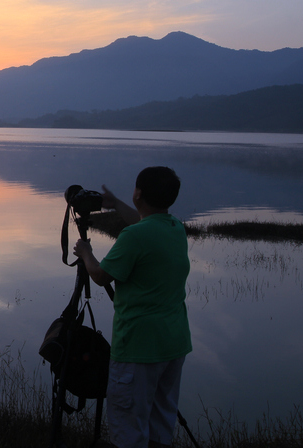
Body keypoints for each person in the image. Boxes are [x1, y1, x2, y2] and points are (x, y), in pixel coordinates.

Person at [72, 166, 192, 448]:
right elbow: (140, 224)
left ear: (138, 193)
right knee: (160, 428)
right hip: (173, 345)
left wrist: (86, 253)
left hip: (139, 348)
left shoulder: (135, 237)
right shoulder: (175, 228)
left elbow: (101, 276)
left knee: (128, 430)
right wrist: (114, 205)